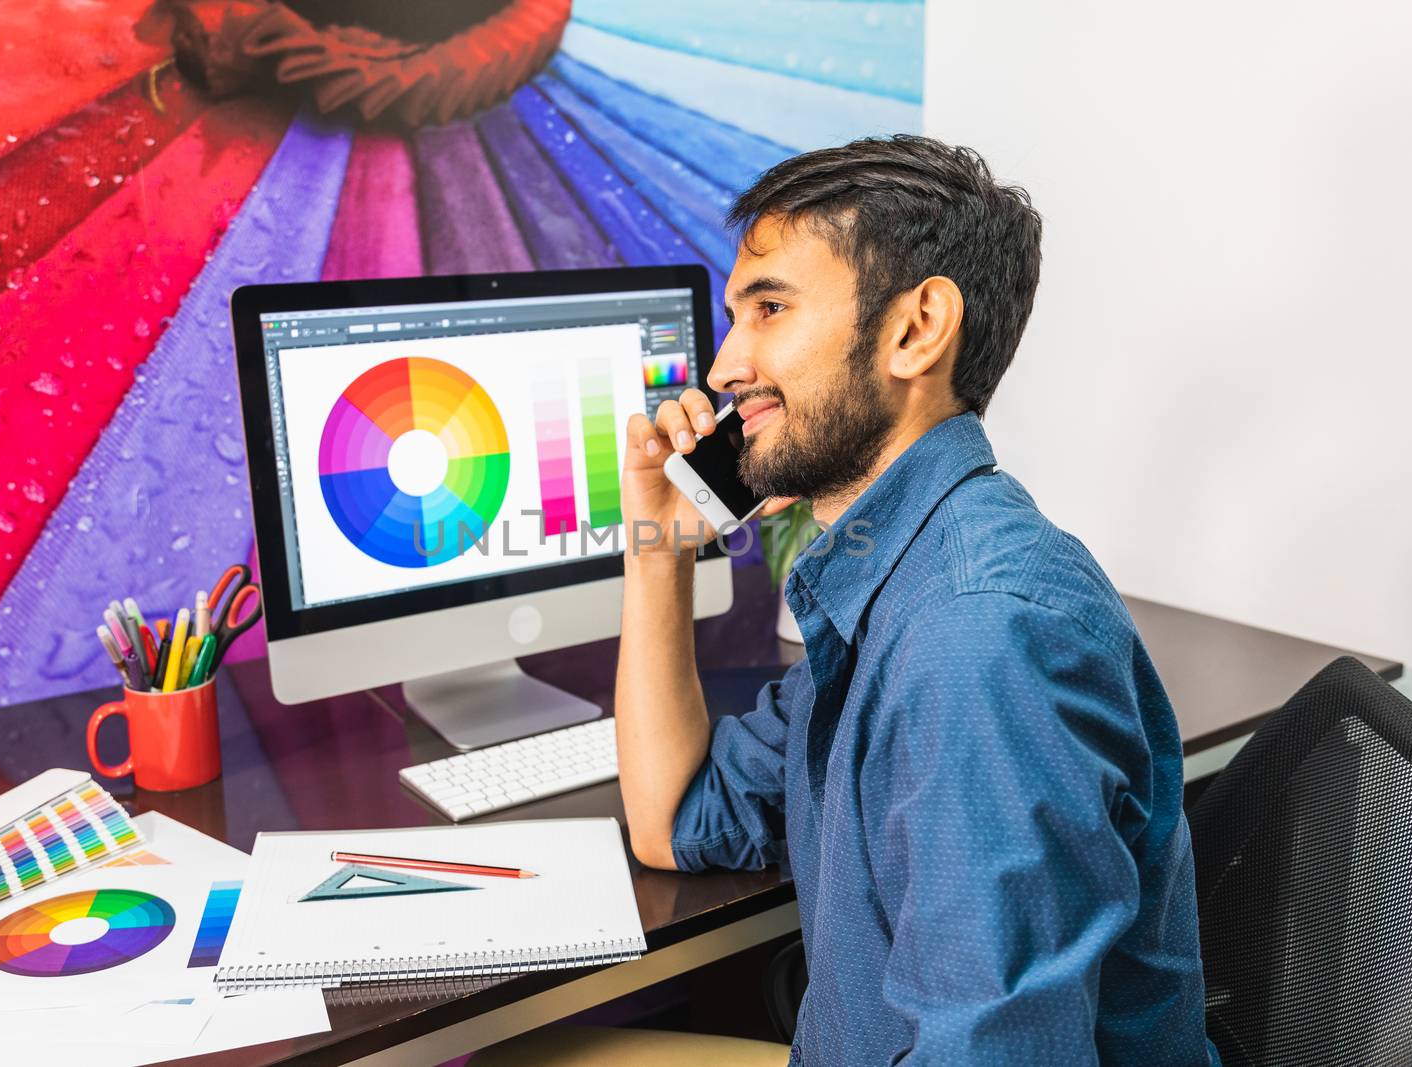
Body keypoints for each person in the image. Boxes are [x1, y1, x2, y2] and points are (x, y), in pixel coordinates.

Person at [477, 134, 1218, 1065]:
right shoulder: (884, 576)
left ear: (916, 329)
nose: (724, 367)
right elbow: (677, 821)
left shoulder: (978, 640)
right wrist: (660, 544)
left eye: (770, 309)